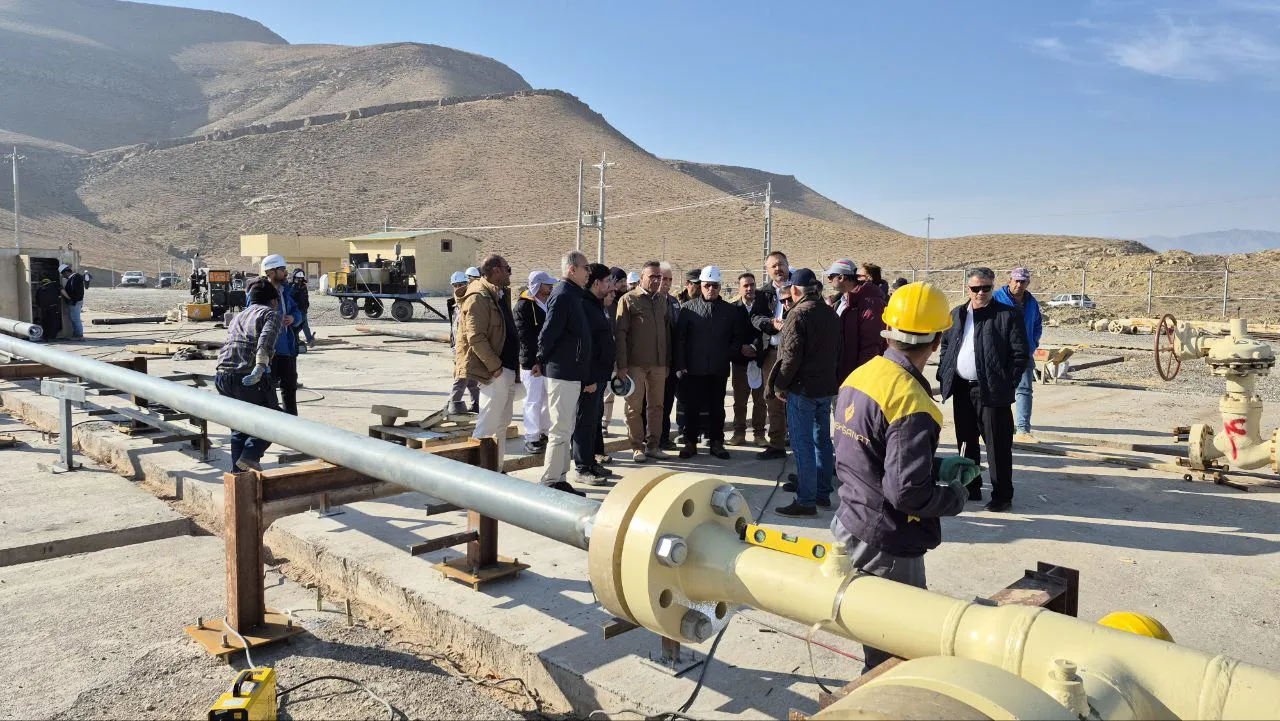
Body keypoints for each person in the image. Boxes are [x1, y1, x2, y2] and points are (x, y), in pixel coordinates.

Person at [832, 281, 978, 673]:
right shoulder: (913, 404)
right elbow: (907, 494)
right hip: (887, 542)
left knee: (873, 629)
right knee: (898, 652)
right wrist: (954, 497)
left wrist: (932, 464)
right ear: (938, 339)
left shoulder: (861, 376)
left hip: (850, 521)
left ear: (889, 330)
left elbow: (865, 452)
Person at [937, 267, 1030, 513]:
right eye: (975, 288)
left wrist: (1006, 382)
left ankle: (1002, 496)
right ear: (967, 288)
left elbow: (1020, 354)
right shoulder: (957, 314)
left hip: (992, 391)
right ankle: (971, 487)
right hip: (962, 389)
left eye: (985, 288)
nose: (980, 293)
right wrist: (945, 371)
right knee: (966, 442)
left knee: (997, 446)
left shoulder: (1007, 315)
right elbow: (946, 345)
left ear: (993, 287)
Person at [771, 269, 843, 517]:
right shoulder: (830, 314)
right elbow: (838, 352)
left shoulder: (798, 314)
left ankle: (806, 500)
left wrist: (780, 385)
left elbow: (790, 357)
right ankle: (822, 493)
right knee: (822, 442)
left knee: (803, 446)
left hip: (803, 390)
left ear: (794, 290)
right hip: (825, 388)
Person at [673, 266, 749, 459]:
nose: (711, 289)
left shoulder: (730, 311)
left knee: (717, 408)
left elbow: (737, 337)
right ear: (701, 285)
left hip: (718, 369)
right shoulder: (688, 309)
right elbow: (680, 339)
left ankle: (717, 443)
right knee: (692, 407)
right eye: (707, 285)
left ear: (720, 286)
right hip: (693, 369)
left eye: (715, 285)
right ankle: (690, 442)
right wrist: (681, 365)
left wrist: (727, 354)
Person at [537, 251, 593, 495]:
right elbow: (548, 332)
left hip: (572, 372)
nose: (588, 272)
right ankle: (550, 481)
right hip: (562, 372)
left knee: (566, 429)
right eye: (585, 268)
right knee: (559, 430)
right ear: (572, 269)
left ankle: (560, 479)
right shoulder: (562, 295)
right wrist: (539, 359)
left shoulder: (574, 295)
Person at [458, 255, 521, 468]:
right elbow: (475, 337)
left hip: (507, 370)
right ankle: (478, 475)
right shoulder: (479, 297)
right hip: (495, 373)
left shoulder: (497, 293)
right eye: (507, 269)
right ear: (496, 271)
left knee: (501, 424)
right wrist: (496, 368)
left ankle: (496, 470)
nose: (510, 273)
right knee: (487, 427)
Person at [215, 279, 283, 472]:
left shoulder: (239, 316)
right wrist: (260, 365)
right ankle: (250, 456)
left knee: (239, 427)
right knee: (275, 419)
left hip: (222, 377)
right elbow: (265, 340)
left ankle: (239, 476)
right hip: (247, 376)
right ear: (273, 300)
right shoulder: (271, 313)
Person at [615, 260, 671, 463]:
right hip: (635, 364)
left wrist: (667, 362)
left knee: (657, 407)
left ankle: (653, 445)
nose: (656, 280)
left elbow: (667, 332)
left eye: (659, 277)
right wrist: (621, 365)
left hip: (658, 364)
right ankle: (637, 446)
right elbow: (620, 333)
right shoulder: (628, 299)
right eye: (652, 276)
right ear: (641, 278)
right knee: (634, 407)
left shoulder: (663, 300)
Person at [572, 264, 617, 484]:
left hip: (599, 376)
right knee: (584, 423)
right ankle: (582, 468)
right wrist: (588, 378)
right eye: (607, 281)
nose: (610, 286)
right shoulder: (584, 305)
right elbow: (583, 345)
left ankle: (591, 462)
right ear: (596, 282)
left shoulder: (596, 304)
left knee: (593, 422)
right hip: (589, 378)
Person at [748, 251, 792, 459]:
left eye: (781, 264)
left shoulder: (798, 288)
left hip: (794, 354)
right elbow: (755, 317)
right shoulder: (763, 294)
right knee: (773, 400)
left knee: (796, 400)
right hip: (771, 354)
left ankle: (800, 443)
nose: (778, 269)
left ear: (787, 265)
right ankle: (777, 444)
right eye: (773, 266)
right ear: (767, 270)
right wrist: (771, 324)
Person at [993, 267, 1043, 441]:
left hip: (1024, 353)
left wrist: (1032, 344)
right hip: (1000, 353)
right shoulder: (996, 299)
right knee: (998, 389)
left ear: (1028, 283)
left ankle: (1022, 429)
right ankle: (997, 426)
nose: (1019, 285)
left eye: (1023, 281)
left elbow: (1037, 325)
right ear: (1009, 281)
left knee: (1024, 390)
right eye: (1016, 281)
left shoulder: (1032, 302)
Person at [826, 259, 886, 383]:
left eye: (831, 276)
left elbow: (871, 346)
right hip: (839, 374)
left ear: (841, 277)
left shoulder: (871, 303)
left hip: (856, 379)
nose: (829, 280)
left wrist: (861, 380)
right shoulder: (840, 301)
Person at [516, 271, 555, 454]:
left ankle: (544, 432)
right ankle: (531, 437)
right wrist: (535, 362)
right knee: (532, 401)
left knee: (546, 400)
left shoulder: (547, 303)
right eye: (547, 284)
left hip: (546, 362)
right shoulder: (523, 307)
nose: (551, 287)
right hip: (532, 363)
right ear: (538, 286)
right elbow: (525, 338)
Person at [261, 255, 302, 415]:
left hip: (287, 350)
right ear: (271, 271)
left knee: (290, 387)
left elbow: (297, 312)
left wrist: (293, 318)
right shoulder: (258, 292)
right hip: (268, 352)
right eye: (282, 269)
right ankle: (272, 423)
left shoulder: (285, 291)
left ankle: (292, 423)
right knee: (268, 391)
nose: (286, 272)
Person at [729, 272, 765, 446]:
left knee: (760, 401)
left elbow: (766, 331)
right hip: (740, 362)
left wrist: (755, 347)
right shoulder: (733, 309)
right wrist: (741, 348)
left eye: (752, 285)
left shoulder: (763, 307)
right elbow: (730, 334)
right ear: (739, 288)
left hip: (759, 361)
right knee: (740, 401)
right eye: (746, 285)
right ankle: (739, 433)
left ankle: (759, 434)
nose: (749, 288)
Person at [447, 270, 480, 414]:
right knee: (471, 379)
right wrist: (453, 346)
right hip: (457, 347)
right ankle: (477, 404)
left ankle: (452, 406)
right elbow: (454, 328)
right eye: (455, 285)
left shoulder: (470, 302)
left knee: (461, 377)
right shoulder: (454, 304)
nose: (457, 288)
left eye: (460, 285)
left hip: (468, 347)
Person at [657, 263, 682, 450]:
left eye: (669, 279)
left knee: (667, 403)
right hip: (654, 361)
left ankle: (664, 437)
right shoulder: (650, 301)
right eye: (663, 278)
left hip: (671, 362)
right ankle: (650, 438)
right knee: (651, 404)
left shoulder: (674, 302)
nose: (666, 282)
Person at [290, 269, 316, 349]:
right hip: (295, 310)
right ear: (294, 277)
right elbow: (291, 297)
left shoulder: (303, 286)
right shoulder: (291, 286)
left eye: (301, 278)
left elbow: (305, 297)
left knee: (304, 325)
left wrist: (306, 306)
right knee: (297, 326)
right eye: (298, 278)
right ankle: (305, 340)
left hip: (303, 309)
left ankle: (308, 340)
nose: (300, 280)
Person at [59, 264, 85, 340]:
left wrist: (72, 299)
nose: (63, 276)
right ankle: (76, 334)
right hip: (75, 301)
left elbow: (75, 291)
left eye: (63, 274)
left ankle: (79, 335)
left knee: (76, 319)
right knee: (74, 318)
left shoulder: (75, 277)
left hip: (75, 302)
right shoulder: (74, 277)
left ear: (66, 272)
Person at [35, 277, 62, 342]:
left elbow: (37, 300)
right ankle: (52, 337)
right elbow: (61, 292)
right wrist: (69, 298)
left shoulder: (39, 290)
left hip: (44, 308)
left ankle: (45, 336)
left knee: (45, 322)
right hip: (53, 307)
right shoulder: (54, 286)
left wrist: (40, 306)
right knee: (54, 322)